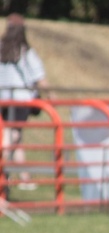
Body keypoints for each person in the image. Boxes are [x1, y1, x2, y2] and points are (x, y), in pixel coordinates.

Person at [0, 14, 47, 190]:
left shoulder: (1, 48)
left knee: (14, 137)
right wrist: (51, 97)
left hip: (3, 99)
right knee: (13, 136)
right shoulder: (25, 51)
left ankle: (24, 178)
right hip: (20, 100)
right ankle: (4, 167)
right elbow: (40, 77)